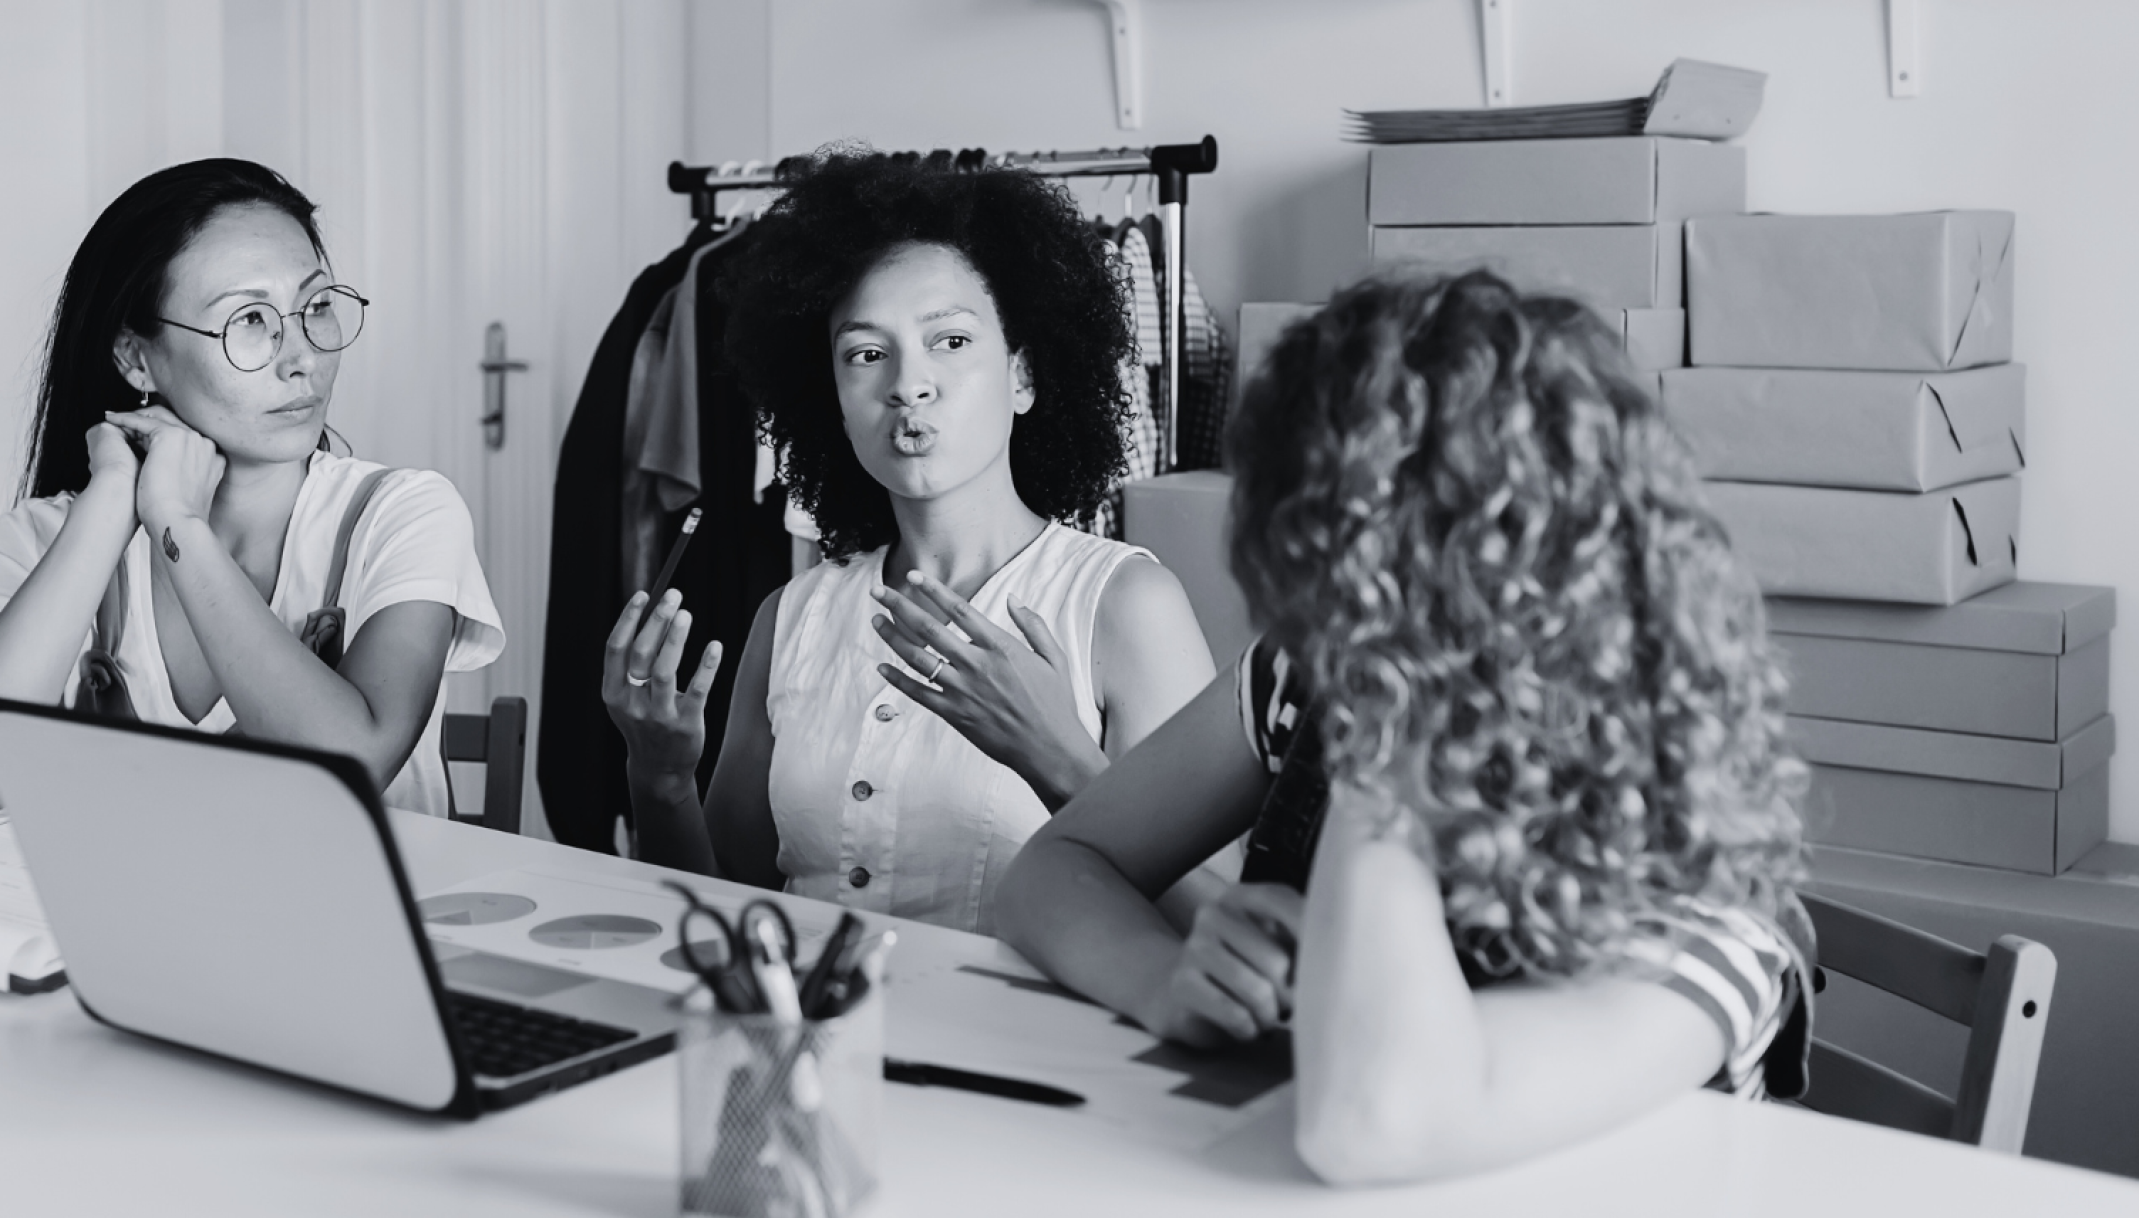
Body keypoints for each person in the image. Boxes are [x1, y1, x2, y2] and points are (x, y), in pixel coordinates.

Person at [995, 271, 1814, 1185]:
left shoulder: (1705, 900)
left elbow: (1375, 1124)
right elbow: (1050, 875)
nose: (1329, 639)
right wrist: (1165, 978)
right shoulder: (1303, 682)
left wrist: (1386, 733)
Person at [601, 151, 1218, 934]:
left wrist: (1057, 757)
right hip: (812, 1047)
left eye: (950, 342)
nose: (907, 383)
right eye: (867, 353)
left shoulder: (1127, 607)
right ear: (832, 396)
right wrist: (659, 777)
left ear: (1022, 376)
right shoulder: (791, 617)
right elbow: (729, 913)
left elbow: (1209, 930)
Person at [0, 158, 503, 824]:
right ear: (136, 358)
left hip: (361, 928)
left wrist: (179, 523)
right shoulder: (45, 539)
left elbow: (353, 764)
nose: (301, 355)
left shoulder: (404, 514)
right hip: (120, 930)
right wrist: (108, 506)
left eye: (317, 306)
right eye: (248, 320)